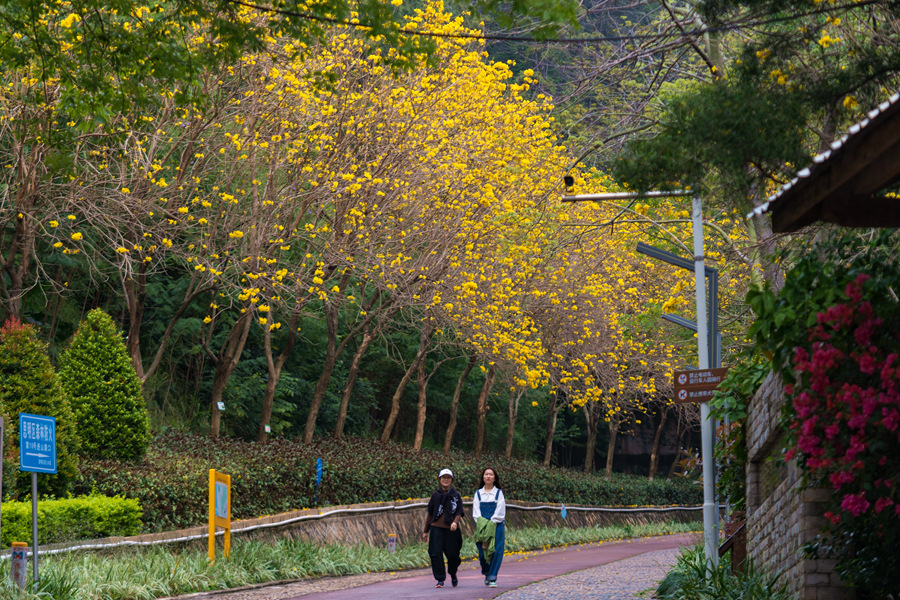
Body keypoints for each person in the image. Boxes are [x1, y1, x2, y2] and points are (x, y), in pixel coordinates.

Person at [423, 468, 464, 589]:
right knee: (435, 553)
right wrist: (426, 531)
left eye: (448, 478)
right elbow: (430, 514)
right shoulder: (435, 496)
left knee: (453, 555)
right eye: (443, 478)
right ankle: (440, 579)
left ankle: (453, 572)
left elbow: (459, 511)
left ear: (451, 480)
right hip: (436, 528)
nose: (446, 480)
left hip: (451, 529)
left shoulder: (456, 496)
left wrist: (455, 522)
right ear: (440, 480)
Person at [472, 466, 506, 588]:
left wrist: (491, 523)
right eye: (486, 474)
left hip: (497, 527)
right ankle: (486, 571)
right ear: (483, 477)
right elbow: (476, 513)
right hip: (482, 527)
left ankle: (492, 577)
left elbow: (500, 513)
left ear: (495, 478)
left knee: (496, 551)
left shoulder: (499, 493)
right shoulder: (478, 494)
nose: (488, 476)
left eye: (491, 474)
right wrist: (485, 526)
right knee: (482, 552)